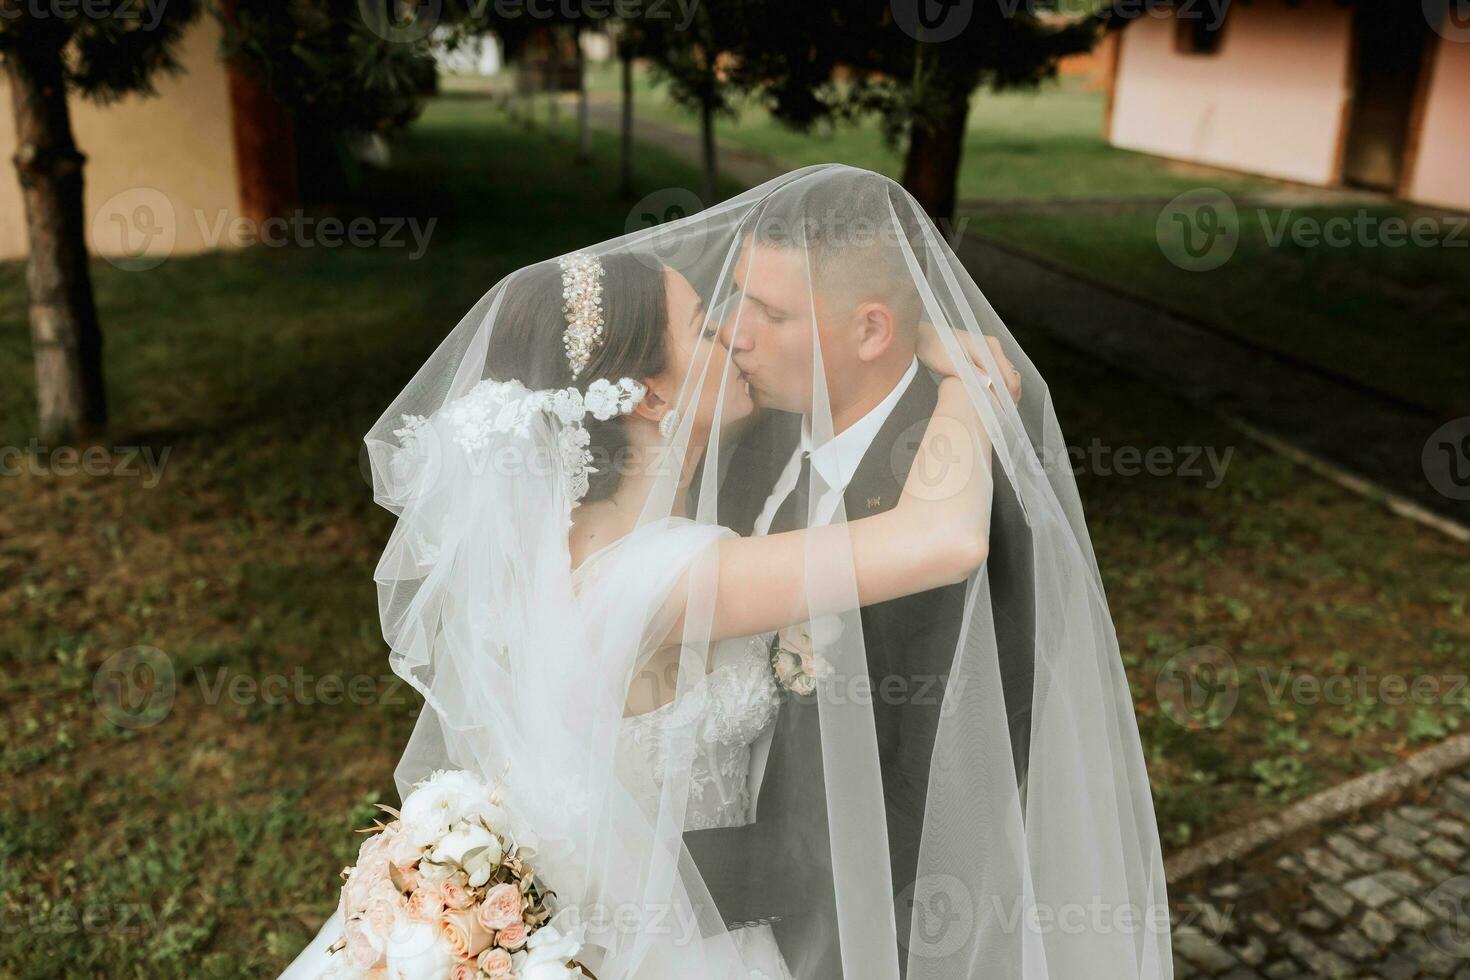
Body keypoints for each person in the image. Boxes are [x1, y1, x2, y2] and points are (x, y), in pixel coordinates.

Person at [280, 165, 1170, 980]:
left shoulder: (575, 537)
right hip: (684, 937)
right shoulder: (658, 573)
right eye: (710, 321)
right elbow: (943, 537)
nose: (737, 336)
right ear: (652, 397)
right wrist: (972, 389)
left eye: (749, 311)